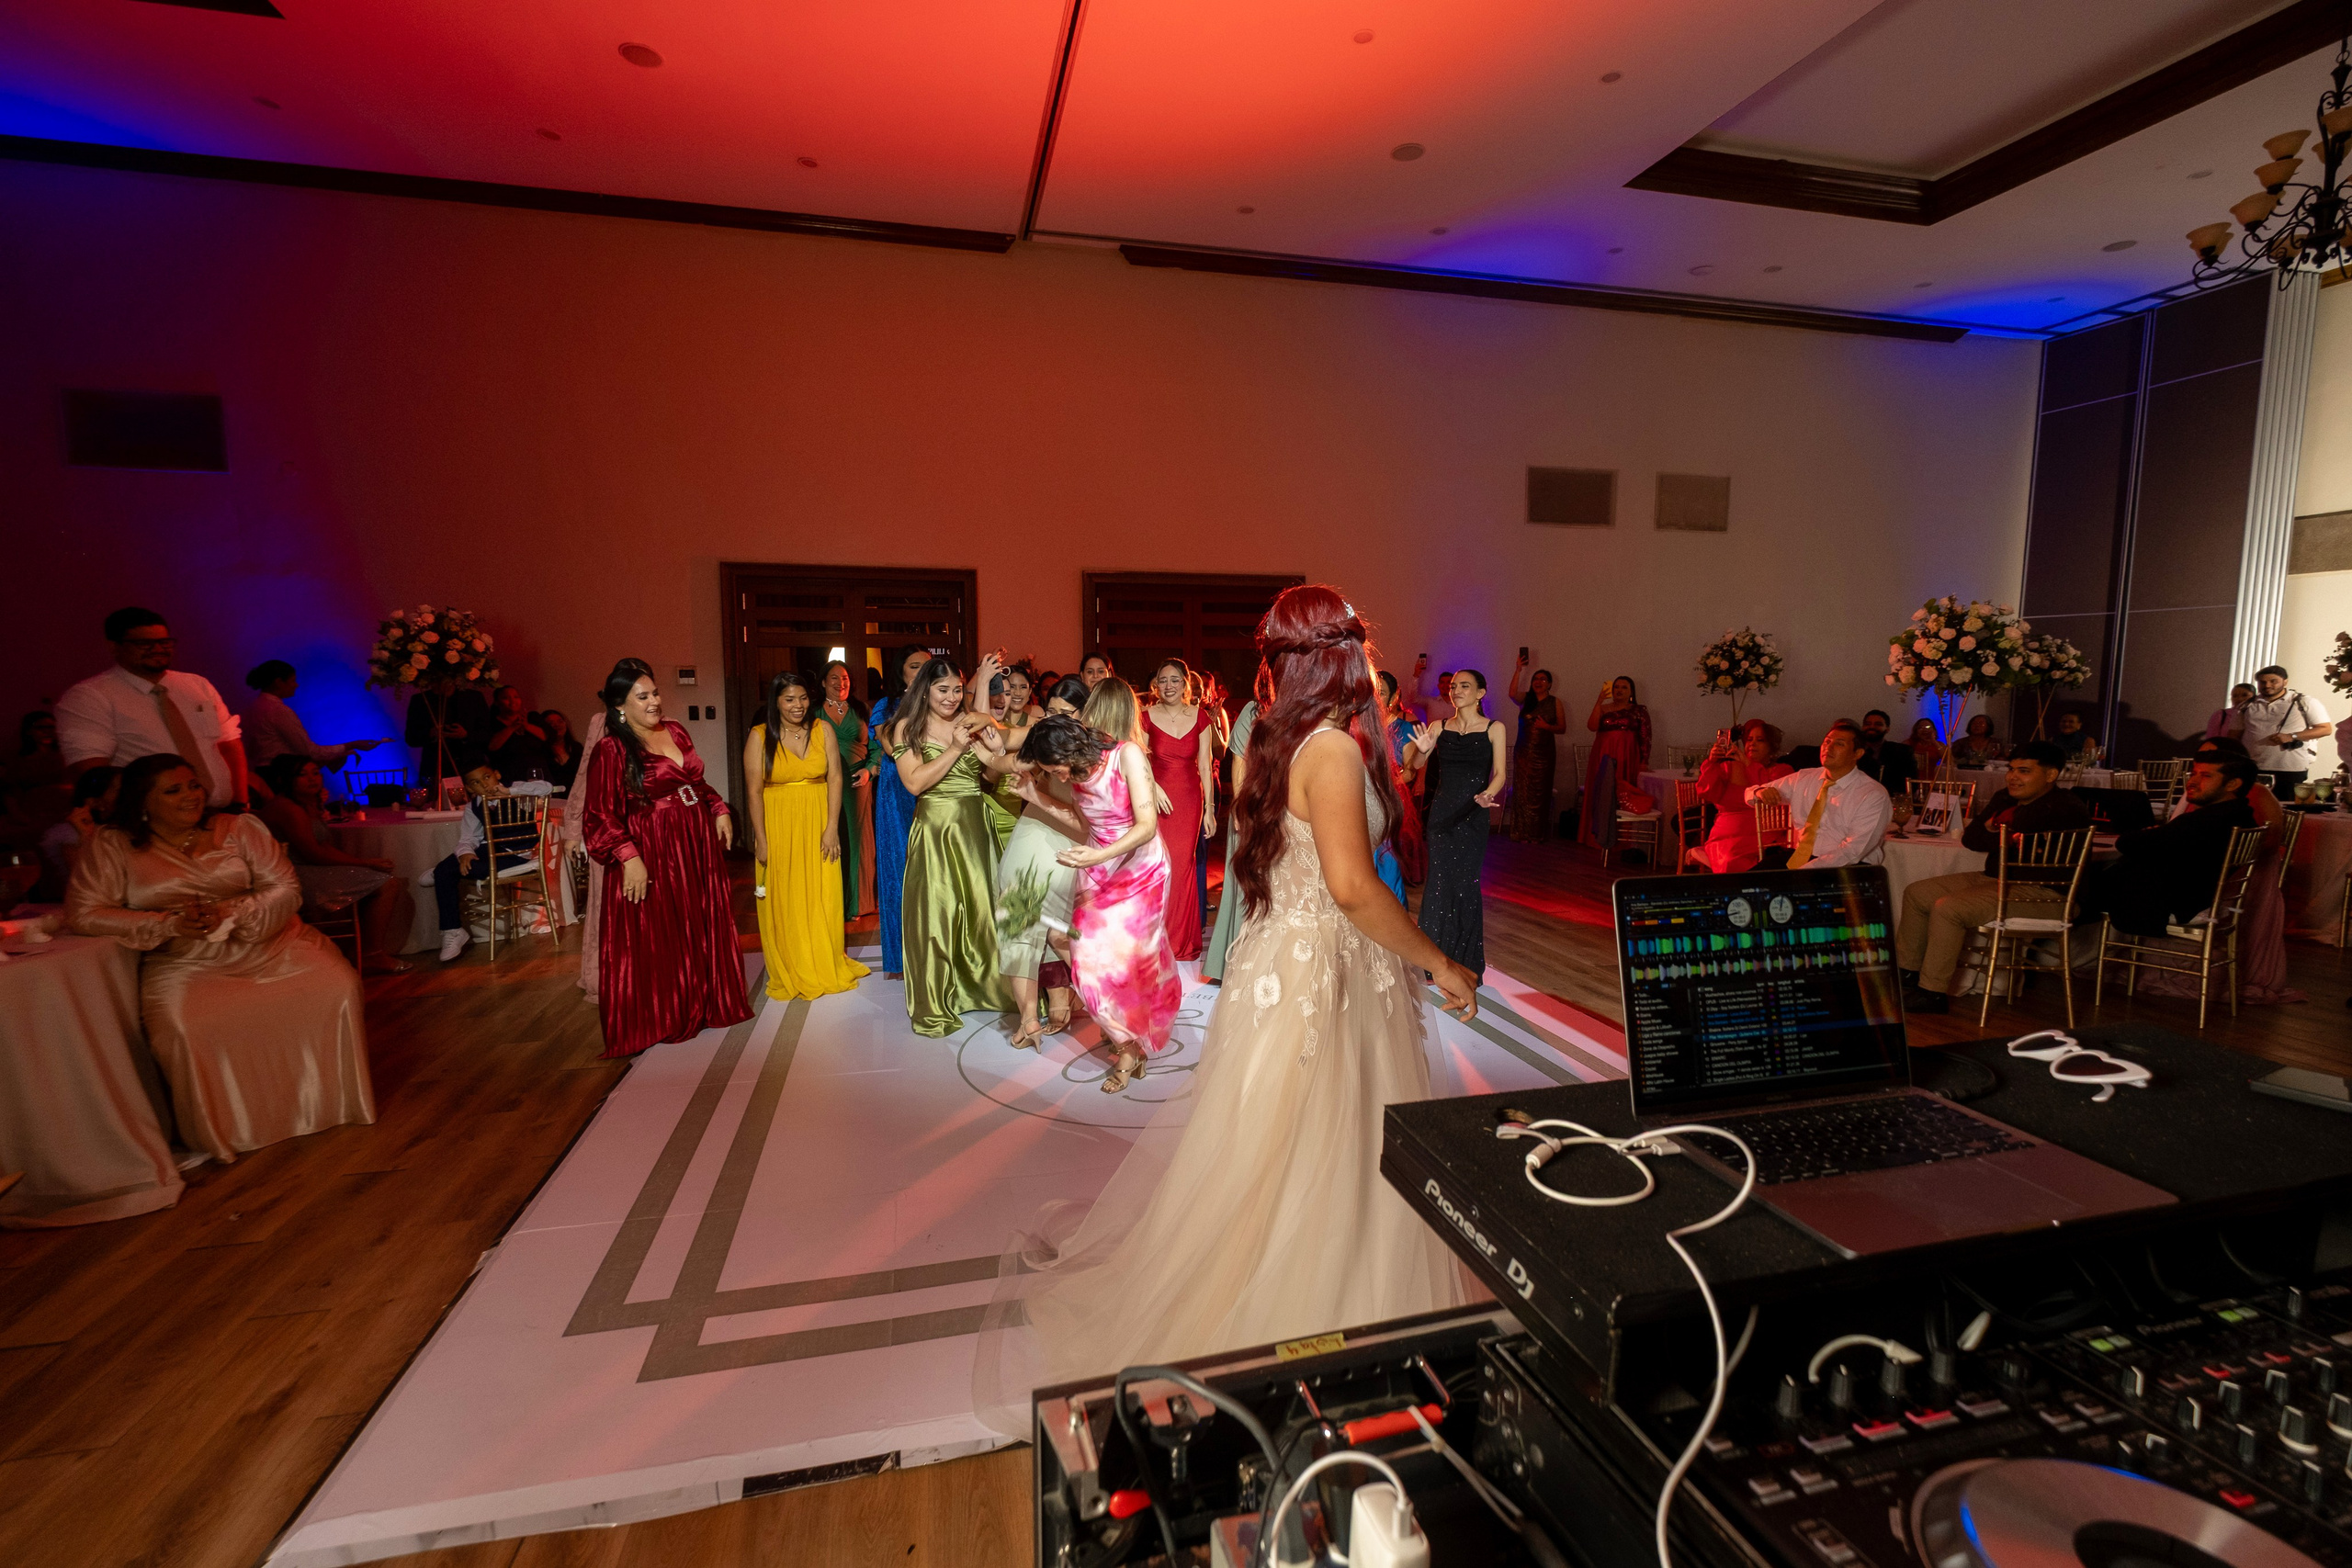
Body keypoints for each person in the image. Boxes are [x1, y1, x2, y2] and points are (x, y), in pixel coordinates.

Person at [973, 587, 1480, 1423]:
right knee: (1328, 1137)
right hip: (1328, 973)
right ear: (1341, 657)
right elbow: (1353, 888)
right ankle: (1322, 1315)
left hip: (1282, 963)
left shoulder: (1277, 737)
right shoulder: (1335, 751)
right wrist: (1439, 963)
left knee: (1282, 1145)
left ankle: (1298, 1289)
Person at [66, 751, 372, 1161]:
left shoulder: (239, 827)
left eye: (193, 785)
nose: (191, 795)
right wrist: (169, 924)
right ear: (142, 801)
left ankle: (328, 1106)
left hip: (270, 942)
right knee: (182, 1025)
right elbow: (85, 912)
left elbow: (285, 887)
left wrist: (232, 912)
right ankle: (226, 1131)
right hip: (184, 959)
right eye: (173, 790)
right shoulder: (112, 844)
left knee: (335, 984)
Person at [580, 663, 750, 1057]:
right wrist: (628, 857)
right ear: (620, 706)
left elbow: (694, 782)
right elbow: (599, 814)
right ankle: (668, 1013)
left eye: (655, 693)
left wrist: (718, 806)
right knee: (661, 927)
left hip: (694, 840)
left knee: (697, 918)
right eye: (644, 696)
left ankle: (706, 1003)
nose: (655, 701)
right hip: (653, 845)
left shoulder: (675, 731)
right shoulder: (612, 748)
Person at [1894, 741, 2092, 1013]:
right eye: (2011, 770)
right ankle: (1907, 976)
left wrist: (1998, 825)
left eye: (2024, 771)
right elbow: (1972, 838)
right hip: (1996, 877)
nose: (2012, 777)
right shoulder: (2004, 798)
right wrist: (1999, 828)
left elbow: (2022, 825)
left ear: (2051, 775)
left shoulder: (2066, 806)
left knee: (1949, 908)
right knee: (1917, 892)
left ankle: (1932, 993)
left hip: (2047, 891)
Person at [887, 657, 1012, 1037]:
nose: (952, 697)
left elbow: (990, 774)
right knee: (937, 916)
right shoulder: (906, 727)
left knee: (982, 910)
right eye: (943, 690)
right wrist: (956, 747)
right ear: (925, 689)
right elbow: (914, 783)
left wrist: (992, 750)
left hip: (974, 823)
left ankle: (986, 988)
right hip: (936, 827)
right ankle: (940, 998)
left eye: (958, 689)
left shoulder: (968, 721)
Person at [745, 671, 869, 1001]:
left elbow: (836, 779)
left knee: (823, 893)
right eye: (789, 699)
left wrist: (831, 828)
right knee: (786, 896)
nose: (798, 705)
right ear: (776, 702)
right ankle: (792, 963)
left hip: (819, 822)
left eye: (802, 698)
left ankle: (824, 959)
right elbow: (754, 792)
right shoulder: (759, 736)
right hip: (779, 824)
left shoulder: (822, 729)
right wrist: (761, 838)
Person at [57, 607, 249, 809]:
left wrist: (239, 802)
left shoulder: (197, 686)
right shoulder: (91, 696)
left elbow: (229, 745)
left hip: (221, 812)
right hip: (151, 821)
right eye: (144, 644)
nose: (158, 648)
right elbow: (91, 771)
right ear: (114, 647)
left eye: (164, 642)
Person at [984, 677, 1087, 1044]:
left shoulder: (1097, 749)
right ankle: (1029, 1020)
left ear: (1085, 711)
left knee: (1060, 929)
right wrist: (988, 748)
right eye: (1052, 712)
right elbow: (1004, 745)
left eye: (1066, 712)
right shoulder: (1043, 734)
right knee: (1018, 919)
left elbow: (1083, 819)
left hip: (1069, 839)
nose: (1057, 719)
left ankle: (1101, 1004)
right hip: (1033, 833)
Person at [257, 754, 416, 973]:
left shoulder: (305, 805)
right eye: (302, 775)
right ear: (285, 779)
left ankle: (360, 950)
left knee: (379, 881)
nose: (312, 779)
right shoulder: (288, 809)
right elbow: (313, 854)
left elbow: (323, 846)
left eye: (315, 773)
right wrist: (365, 862)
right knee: (385, 885)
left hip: (308, 867)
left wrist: (362, 865)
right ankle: (371, 954)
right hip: (292, 874)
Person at [2077, 754, 2259, 936]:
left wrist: (2148, 835)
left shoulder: (2207, 821)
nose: (2192, 782)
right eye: (2193, 773)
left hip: (2171, 905)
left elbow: (2127, 843)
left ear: (2232, 784)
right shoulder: (2242, 817)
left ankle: (2066, 952)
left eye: (2205, 776)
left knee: (2076, 889)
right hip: (2200, 900)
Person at [561, 659, 650, 998]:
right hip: (607, 826)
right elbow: (584, 775)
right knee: (608, 908)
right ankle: (611, 978)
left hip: (647, 826)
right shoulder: (601, 722)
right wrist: (572, 828)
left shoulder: (663, 723)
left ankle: (648, 976)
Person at [1408, 669, 1507, 973]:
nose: (1456, 690)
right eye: (1453, 686)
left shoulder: (1494, 728)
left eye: (1465, 686)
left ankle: (1464, 962)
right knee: (1438, 884)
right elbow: (1416, 765)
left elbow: (1501, 773)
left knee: (1466, 883)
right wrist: (1421, 753)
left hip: (1473, 815)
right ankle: (1433, 961)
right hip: (1443, 814)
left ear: (1480, 693)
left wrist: (1487, 794)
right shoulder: (1438, 726)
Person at [426, 763, 559, 962]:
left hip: (516, 854)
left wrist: (510, 791)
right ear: (470, 788)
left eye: (487, 777)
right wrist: (465, 853)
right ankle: (453, 929)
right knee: (460, 862)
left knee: (450, 872)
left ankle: (441, 872)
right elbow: (468, 838)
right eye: (476, 783)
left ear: (497, 774)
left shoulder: (516, 792)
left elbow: (546, 787)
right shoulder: (474, 806)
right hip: (489, 851)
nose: (484, 784)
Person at [1141, 659, 1216, 962]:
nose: (1169, 686)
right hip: (1155, 798)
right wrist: (1152, 788)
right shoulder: (1145, 717)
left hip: (1188, 799)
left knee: (1183, 866)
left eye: (1175, 680)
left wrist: (1209, 810)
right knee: (1158, 865)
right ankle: (1154, 942)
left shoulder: (1200, 718)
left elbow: (1204, 765)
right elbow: (1140, 760)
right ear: (1155, 686)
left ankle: (1181, 942)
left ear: (1185, 684)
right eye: (1163, 680)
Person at [1746, 721, 1894, 869]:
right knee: (1747, 883)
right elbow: (1749, 795)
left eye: (1839, 744)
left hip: (1849, 866)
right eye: (1827, 742)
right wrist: (1760, 792)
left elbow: (1852, 852)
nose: (1828, 747)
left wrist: (1804, 872)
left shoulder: (1872, 794)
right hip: (1800, 857)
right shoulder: (1804, 778)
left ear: (1857, 753)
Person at [1201, 674, 1266, 983]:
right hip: (1253, 804)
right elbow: (1238, 760)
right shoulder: (1254, 711)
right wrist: (1240, 806)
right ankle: (1235, 961)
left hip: (1289, 805)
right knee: (1245, 883)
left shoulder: (1301, 710)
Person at [870, 647, 930, 977]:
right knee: (900, 870)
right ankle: (902, 956)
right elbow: (893, 749)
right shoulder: (886, 706)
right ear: (901, 672)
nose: (921, 672)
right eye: (914, 666)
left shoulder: (940, 703)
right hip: (897, 791)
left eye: (926, 667)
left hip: (933, 787)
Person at [242, 660, 387, 773]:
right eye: (293, 680)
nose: (296, 685)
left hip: (261, 772)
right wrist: (351, 745)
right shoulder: (278, 710)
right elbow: (308, 751)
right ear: (279, 682)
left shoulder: (253, 707)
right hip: (280, 773)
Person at [1693, 720, 1793, 874]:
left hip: (1764, 832)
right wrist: (1712, 762)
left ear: (1771, 748)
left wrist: (1749, 764)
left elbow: (1770, 797)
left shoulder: (1782, 771)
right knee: (1729, 860)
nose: (1752, 744)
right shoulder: (1729, 767)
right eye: (1749, 740)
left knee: (1743, 863)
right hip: (1726, 834)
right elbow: (1705, 792)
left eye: (1760, 741)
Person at [819, 660, 874, 921]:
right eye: (833, 678)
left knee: (857, 842)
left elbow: (876, 748)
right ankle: (831, 902)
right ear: (823, 683)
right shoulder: (814, 713)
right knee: (829, 839)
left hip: (857, 784)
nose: (840, 683)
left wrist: (869, 771)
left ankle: (857, 904)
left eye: (845, 679)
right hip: (824, 786)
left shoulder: (862, 710)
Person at [2234, 665, 2333, 797]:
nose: (2267, 685)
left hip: (2289, 768)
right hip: (2253, 768)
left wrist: (2292, 736)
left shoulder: (2304, 702)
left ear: (2285, 681)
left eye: (2273, 681)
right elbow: (2234, 737)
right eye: (2263, 682)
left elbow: (2325, 729)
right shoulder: (2246, 705)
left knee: (2286, 808)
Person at [1580, 675, 1649, 845]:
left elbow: (1645, 737)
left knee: (1622, 791)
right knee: (1602, 791)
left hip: (1627, 756)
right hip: (1603, 754)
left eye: (1624, 687)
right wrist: (1598, 701)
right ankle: (1597, 836)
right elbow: (1592, 726)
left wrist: (1644, 761)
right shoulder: (1603, 708)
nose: (1619, 690)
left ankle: (1623, 838)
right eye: (1616, 687)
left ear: (1631, 691)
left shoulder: (1639, 711)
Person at [34, 765, 119, 903]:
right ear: (95, 803)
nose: (132, 794)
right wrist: (86, 837)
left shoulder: (131, 829)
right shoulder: (73, 834)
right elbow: (86, 883)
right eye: (121, 790)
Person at [1506, 654, 1566, 841]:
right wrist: (1518, 669)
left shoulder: (1555, 702)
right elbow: (1512, 693)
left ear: (1549, 684)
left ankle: (1536, 833)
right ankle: (1520, 832)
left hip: (1544, 754)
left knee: (1540, 792)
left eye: (1543, 679)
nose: (1539, 682)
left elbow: (1562, 728)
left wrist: (1547, 727)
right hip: (1523, 752)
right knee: (1522, 791)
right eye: (1536, 679)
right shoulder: (1527, 699)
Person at [403, 669, 494, 785]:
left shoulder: (473, 698)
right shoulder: (420, 700)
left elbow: (487, 733)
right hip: (436, 766)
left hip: (472, 766)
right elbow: (411, 738)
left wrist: (465, 735)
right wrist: (430, 733)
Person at [6, 710, 70, 834]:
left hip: (65, 813)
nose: (47, 732)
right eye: (41, 728)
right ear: (29, 731)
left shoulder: (65, 755)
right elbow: (10, 791)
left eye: (51, 727)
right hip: (34, 815)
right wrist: (18, 815)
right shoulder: (19, 760)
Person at [481, 685, 552, 784]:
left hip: (540, 776)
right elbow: (491, 746)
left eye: (516, 697)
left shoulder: (532, 717)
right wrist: (512, 727)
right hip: (511, 778)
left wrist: (526, 726)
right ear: (497, 702)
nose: (512, 701)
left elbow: (546, 737)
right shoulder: (492, 723)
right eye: (506, 698)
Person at [1856, 709, 1917, 794]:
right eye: (1868, 724)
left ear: (1887, 728)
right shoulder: (1853, 751)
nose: (1872, 727)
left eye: (1878, 724)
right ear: (1863, 727)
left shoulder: (1902, 752)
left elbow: (1911, 783)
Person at [537, 709, 582, 789]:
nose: (556, 725)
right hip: (550, 797)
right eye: (551, 723)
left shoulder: (577, 747)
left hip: (575, 796)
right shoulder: (540, 750)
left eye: (560, 721)